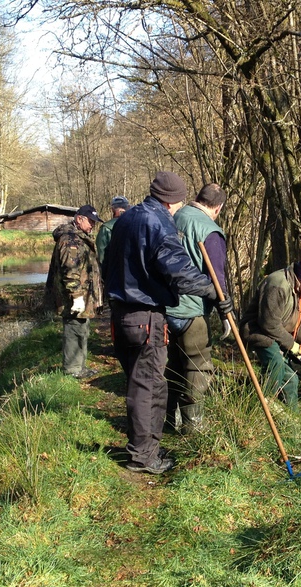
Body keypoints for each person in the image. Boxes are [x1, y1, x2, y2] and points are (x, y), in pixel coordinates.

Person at [103, 171, 234, 475]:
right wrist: (215, 292)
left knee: (140, 383)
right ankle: (143, 457)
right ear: (173, 201)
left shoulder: (126, 219)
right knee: (148, 388)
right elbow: (180, 273)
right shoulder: (159, 223)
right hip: (145, 317)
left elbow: (107, 263)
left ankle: (147, 448)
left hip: (120, 313)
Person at [165, 183, 231, 433]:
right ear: (218, 208)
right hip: (191, 311)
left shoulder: (175, 216)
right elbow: (217, 277)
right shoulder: (210, 231)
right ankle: (193, 426)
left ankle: (167, 418)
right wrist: (225, 312)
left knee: (172, 364)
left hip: (165, 306)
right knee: (197, 365)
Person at [239, 255, 301, 409]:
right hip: (256, 331)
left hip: (273, 333)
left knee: (291, 380)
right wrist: (294, 346)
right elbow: (269, 324)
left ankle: (291, 417)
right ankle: (259, 407)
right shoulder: (278, 285)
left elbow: (291, 322)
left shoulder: (296, 289)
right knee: (275, 363)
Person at [46, 204, 104, 379]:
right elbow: (70, 272)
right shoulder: (70, 240)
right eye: (90, 221)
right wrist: (76, 297)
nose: (92, 225)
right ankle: (73, 370)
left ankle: (79, 367)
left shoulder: (78, 238)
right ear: (79, 219)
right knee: (74, 331)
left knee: (81, 330)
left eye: (94, 222)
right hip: (73, 297)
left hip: (83, 295)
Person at [95, 195, 130, 267]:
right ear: (127, 207)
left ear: (112, 209)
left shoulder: (106, 228)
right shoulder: (135, 225)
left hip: (112, 270)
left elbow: (102, 254)